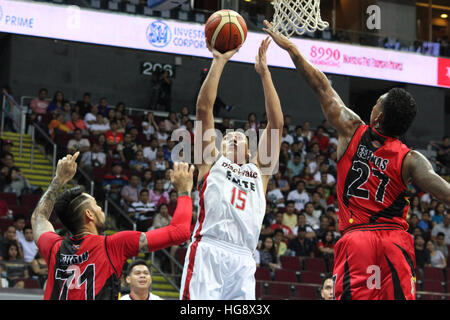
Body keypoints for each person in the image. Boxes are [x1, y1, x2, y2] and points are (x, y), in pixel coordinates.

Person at [264, 20, 450, 300]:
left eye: (378, 102)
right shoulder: (412, 160)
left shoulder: (352, 130)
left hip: (357, 240)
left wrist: (292, 49)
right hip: (395, 243)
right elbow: (445, 192)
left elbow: (321, 86)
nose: (373, 103)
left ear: (379, 116)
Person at [180, 38, 284, 300]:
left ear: (249, 152)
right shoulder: (211, 160)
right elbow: (203, 108)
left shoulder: (259, 172)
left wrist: (265, 74)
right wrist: (219, 61)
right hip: (209, 249)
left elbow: (276, 123)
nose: (233, 136)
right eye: (227, 136)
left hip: (244, 258)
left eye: (240, 136)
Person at [31, 152, 194, 300]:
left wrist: (58, 180)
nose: (101, 209)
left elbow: (38, 218)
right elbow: (179, 232)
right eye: (96, 205)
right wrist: (184, 191)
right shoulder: (113, 245)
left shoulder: (54, 248)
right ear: (89, 214)